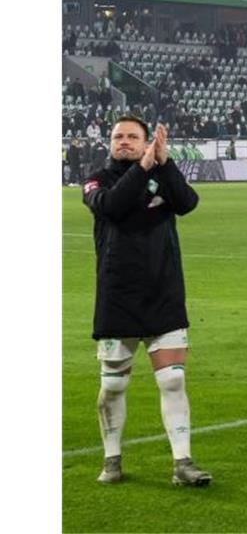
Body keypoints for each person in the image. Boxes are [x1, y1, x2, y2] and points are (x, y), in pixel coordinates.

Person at [83, 117, 211, 486]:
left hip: (163, 292)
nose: (123, 142)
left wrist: (166, 163)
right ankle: (112, 458)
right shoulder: (97, 180)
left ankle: (183, 462)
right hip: (116, 293)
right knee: (113, 386)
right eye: (117, 136)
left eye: (132, 137)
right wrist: (143, 168)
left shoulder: (162, 174)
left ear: (146, 142)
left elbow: (187, 202)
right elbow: (112, 205)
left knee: (172, 381)